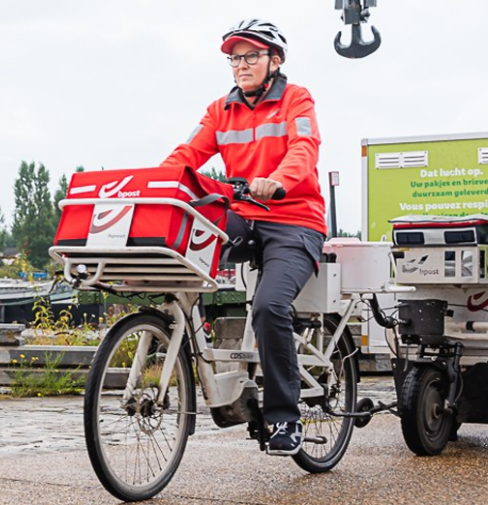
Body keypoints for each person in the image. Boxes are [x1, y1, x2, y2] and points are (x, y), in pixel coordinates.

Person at [161, 19, 327, 456]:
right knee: (181, 242)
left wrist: (276, 180)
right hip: (242, 215)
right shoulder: (221, 110)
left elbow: (304, 150)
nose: (241, 65)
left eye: (251, 55)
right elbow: (188, 156)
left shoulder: (297, 99)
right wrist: (157, 184)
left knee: (270, 308)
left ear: (275, 61)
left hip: (294, 219)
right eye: (235, 58)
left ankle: (284, 418)